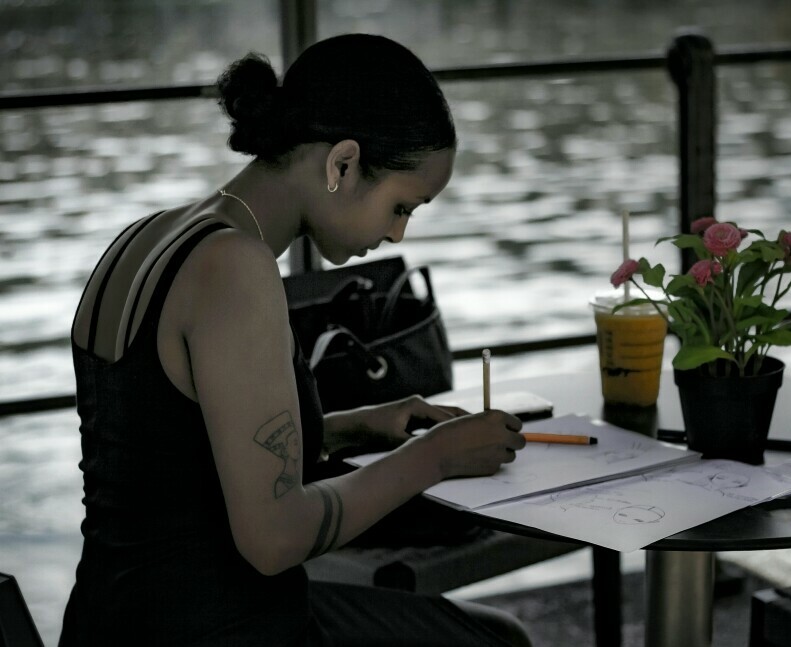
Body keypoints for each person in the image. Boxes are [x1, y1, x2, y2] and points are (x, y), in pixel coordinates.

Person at [60, 33, 532, 647]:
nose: (397, 235)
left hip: (108, 622)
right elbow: (274, 539)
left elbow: (170, 451)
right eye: (401, 206)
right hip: (221, 629)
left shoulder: (148, 238)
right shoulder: (235, 268)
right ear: (342, 163)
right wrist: (433, 457)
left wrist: (355, 425)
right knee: (498, 642)